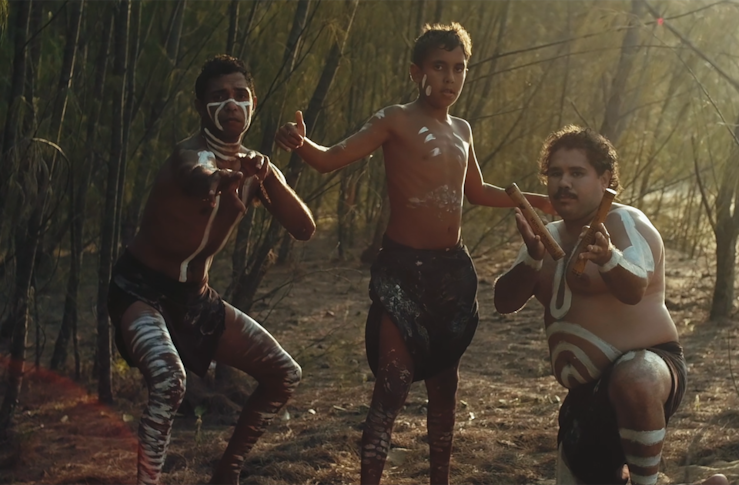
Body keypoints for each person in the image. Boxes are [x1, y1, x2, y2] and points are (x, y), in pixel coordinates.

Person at [276, 22, 553, 485]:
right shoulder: (395, 120)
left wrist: (533, 200)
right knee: (392, 386)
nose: (450, 78)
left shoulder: (463, 129)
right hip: (402, 270)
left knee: (445, 388)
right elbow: (331, 158)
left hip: (452, 272)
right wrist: (301, 143)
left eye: (459, 69)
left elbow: (478, 192)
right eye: (439, 67)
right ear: (415, 72)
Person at [108, 55, 316, 485]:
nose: (232, 104)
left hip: (195, 301)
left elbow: (303, 227)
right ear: (201, 107)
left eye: (241, 95)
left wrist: (271, 172)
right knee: (169, 381)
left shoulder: (254, 166)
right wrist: (220, 179)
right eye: (219, 97)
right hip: (140, 290)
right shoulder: (190, 154)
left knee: (284, 375)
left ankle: (228, 472)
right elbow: (196, 175)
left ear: (254, 102)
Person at [493, 126, 728, 485]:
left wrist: (607, 257)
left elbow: (635, 286)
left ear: (604, 179)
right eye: (555, 173)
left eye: (577, 173)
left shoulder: (625, 223)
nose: (563, 183)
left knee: (633, 375)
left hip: (651, 369)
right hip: (584, 396)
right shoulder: (547, 236)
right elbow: (504, 301)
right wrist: (532, 261)